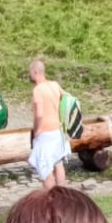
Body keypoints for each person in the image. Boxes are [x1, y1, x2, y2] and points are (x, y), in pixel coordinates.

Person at [28, 60, 69, 189]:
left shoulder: (38, 90)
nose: (29, 75)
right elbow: (67, 97)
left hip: (45, 132)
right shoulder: (55, 85)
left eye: (30, 73)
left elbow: (39, 115)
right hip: (58, 130)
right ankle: (62, 195)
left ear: (35, 72)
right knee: (58, 163)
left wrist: (36, 130)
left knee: (46, 168)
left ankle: (49, 197)